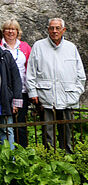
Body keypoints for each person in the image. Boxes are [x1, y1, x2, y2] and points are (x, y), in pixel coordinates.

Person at [27, 18, 86, 153]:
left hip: (67, 97)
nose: (54, 31)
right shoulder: (39, 46)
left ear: (63, 30)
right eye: (52, 28)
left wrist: (76, 93)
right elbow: (31, 72)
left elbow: (80, 75)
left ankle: (68, 157)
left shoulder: (71, 47)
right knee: (48, 132)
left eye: (57, 28)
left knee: (67, 131)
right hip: (46, 96)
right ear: (48, 29)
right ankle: (50, 158)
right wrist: (33, 92)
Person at [0, 19, 32, 147]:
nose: (10, 31)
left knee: (20, 124)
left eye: (13, 29)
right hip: (4, 90)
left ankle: (22, 151)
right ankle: (7, 150)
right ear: (3, 31)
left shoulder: (25, 47)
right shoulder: (0, 46)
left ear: (18, 31)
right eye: (7, 29)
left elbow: (30, 67)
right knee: (6, 124)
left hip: (21, 90)